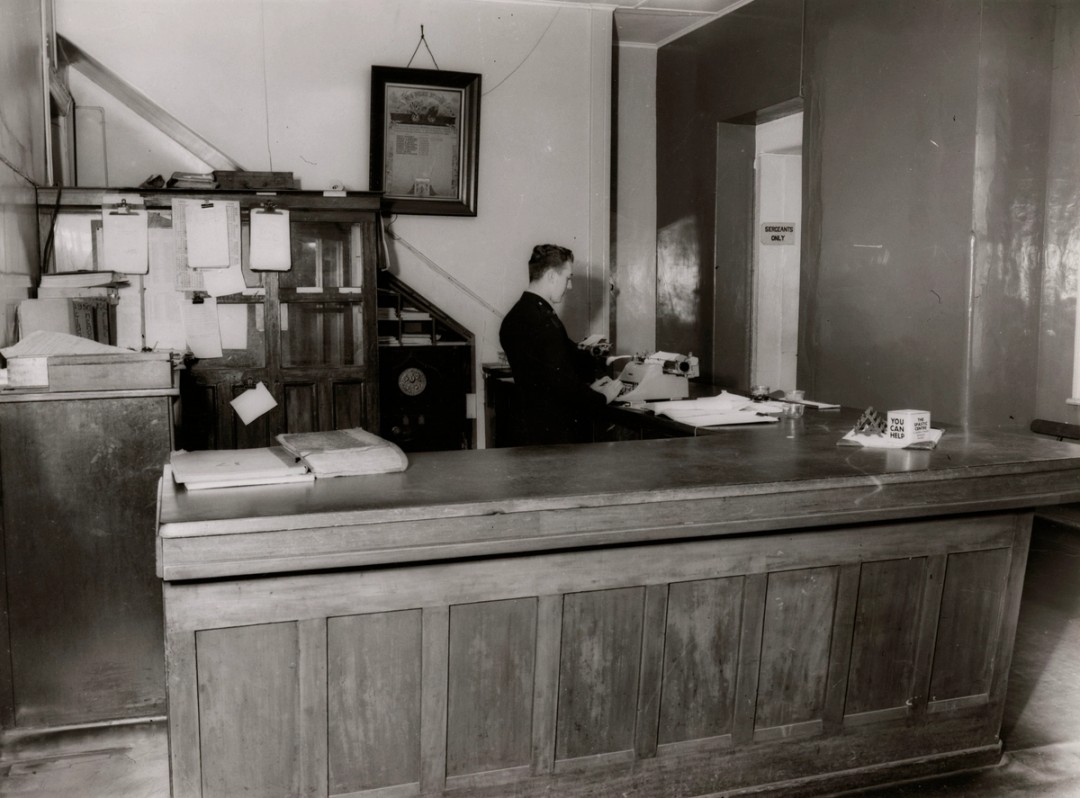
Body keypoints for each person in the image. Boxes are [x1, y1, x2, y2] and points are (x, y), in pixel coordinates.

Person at [499, 244, 613, 445]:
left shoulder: (517, 315)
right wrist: (602, 397)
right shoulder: (542, 321)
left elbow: (550, 375)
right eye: (568, 278)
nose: (569, 286)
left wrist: (588, 389)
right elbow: (561, 386)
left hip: (528, 429)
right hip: (553, 434)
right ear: (551, 275)